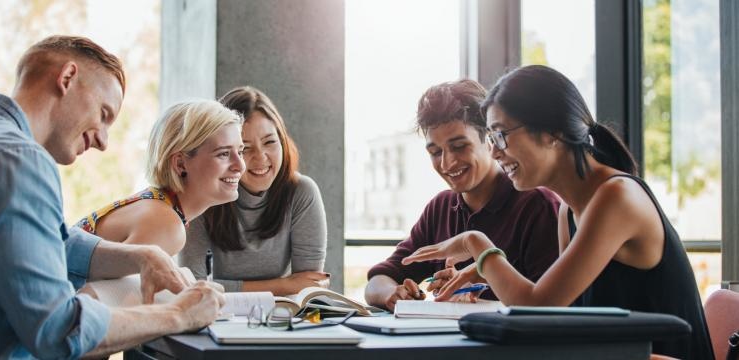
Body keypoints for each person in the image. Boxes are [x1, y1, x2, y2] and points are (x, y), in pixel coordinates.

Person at [402, 65, 713, 359]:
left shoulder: (616, 197)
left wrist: (477, 245)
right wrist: (485, 272)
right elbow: (556, 316)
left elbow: (537, 306)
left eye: (501, 135)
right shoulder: (569, 211)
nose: (495, 152)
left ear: (551, 132)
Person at [0, 35, 225, 359]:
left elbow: (48, 243)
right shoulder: (20, 160)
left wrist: (142, 256)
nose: (103, 141)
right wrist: (178, 315)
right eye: (104, 114)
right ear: (67, 78)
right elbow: (57, 330)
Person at [364, 79, 560, 312]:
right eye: (435, 152)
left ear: (490, 139)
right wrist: (391, 294)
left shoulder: (538, 205)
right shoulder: (441, 207)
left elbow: (548, 306)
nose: (447, 163)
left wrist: (481, 282)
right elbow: (379, 280)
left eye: (458, 146)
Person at [180, 86, 329, 295]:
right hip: (221, 316)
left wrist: (227, 287)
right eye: (245, 148)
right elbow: (192, 286)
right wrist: (284, 285)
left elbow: (308, 286)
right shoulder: (204, 194)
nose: (260, 158)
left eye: (270, 142)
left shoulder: (302, 192)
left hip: (284, 316)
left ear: (283, 142)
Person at [75, 100, 246, 256]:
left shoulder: (160, 206)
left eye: (240, 152)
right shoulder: (165, 225)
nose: (240, 166)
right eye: (223, 154)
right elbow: (103, 289)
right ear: (180, 164)